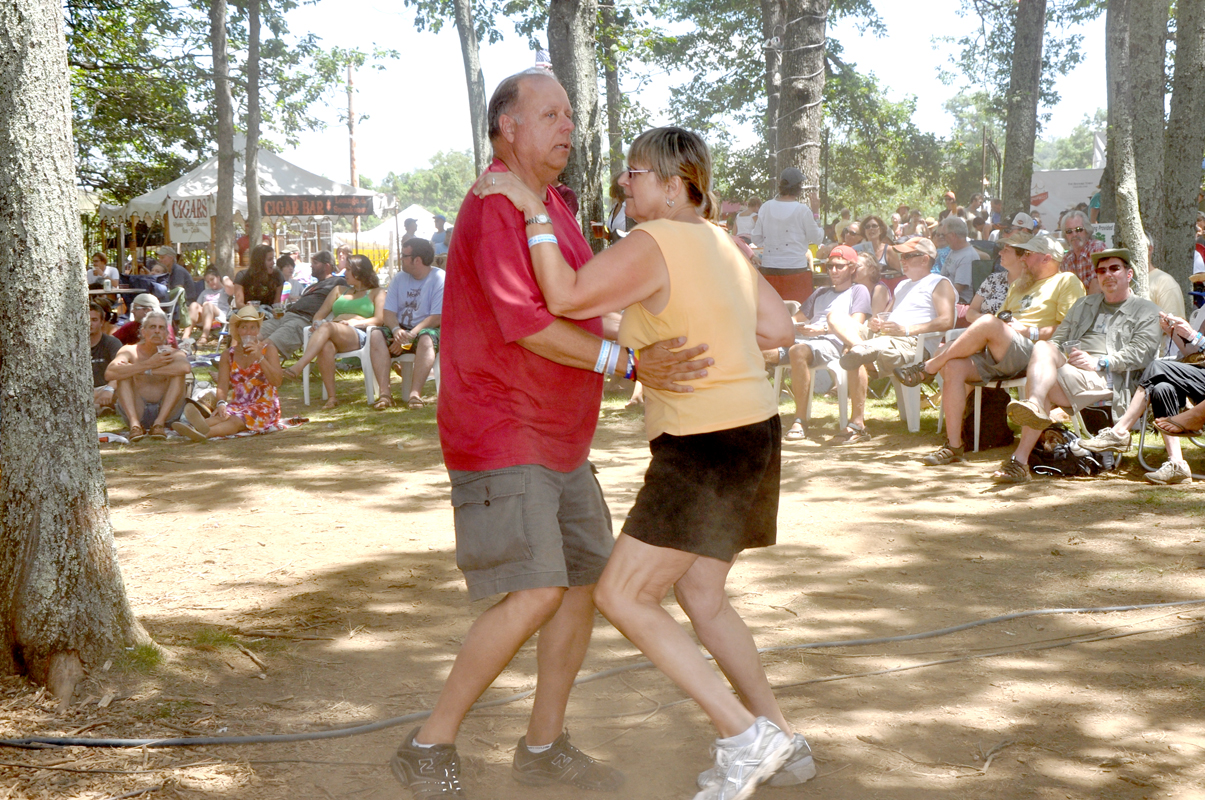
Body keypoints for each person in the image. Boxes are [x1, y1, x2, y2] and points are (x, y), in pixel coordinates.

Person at [388, 69, 716, 800]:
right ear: (508, 127)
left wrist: (660, 339)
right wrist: (631, 363)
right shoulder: (495, 202)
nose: (567, 127)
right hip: (502, 428)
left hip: (561, 436)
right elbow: (528, 323)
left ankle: (542, 745)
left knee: (581, 588)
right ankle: (427, 743)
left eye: (570, 114)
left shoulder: (551, 205)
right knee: (537, 590)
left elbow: (579, 304)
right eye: (549, 115)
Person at [476, 121, 805, 800]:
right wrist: (693, 327)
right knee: (703, 597)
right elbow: (775, 329)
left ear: (674, 186)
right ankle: (778, 734)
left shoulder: (651, 239)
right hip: (754, 433)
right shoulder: (718, 240)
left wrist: (533, 209)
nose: (624, 182)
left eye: (635, 172)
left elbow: (562, 296)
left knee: (622, 593)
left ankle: (743, 736)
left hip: (702, 444)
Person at [895, 235, 1085, 466]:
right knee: (954, 366)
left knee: (986, 322)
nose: (1022, 258)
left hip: (1038, 354)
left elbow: (1069, 329)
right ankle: (954, 445)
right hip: (1004, 350)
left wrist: (1029, 331)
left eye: (1027, 253)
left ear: (1046, 258)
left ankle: (928, 367)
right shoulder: (1019, 285)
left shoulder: (1066, 281)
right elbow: (999, 322)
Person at [990, 248, 1162, 483]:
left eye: (1115, 269)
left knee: (1042, 384)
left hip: (1109, 375)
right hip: (1071, 369)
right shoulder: (1085, 304)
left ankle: (1019, 459)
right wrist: (1064, 356)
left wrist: (1099, 361)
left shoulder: (1146, 310)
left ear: (1129, 274)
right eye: (1102, 270)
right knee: (1043, 347)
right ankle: (1034, 406)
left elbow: (1142, 352)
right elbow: (1058, 340)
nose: (1108, 274)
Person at [837, 238, 956, 437]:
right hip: (886, 337)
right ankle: (861, 348)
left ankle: (856, 423)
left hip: (913, 344)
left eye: (908, 256)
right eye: (902, 256)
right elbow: (887, 316)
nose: (902, 260)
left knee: (857, 351)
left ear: (925, 259)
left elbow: (947, 321)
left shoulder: (939, 283)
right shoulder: (902, 285)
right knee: (837, 318)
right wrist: (875, 323)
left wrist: (907, 329)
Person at [773, 245, 871, 441]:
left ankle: (800, 420)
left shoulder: (859, 291)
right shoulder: (820, 293)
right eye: (830, 266)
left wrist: (823, 329)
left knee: (798, 351)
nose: (833, 270)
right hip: (808, 341)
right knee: (758, 351)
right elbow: (796, 319)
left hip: (834, 342)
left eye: (839, 266)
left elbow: (855, 326)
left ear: (852, 268)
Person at [282, 254, 384, 409]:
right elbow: (319, 315)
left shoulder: (376, 292)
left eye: (349, 270)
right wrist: (317, 324)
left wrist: (356, 322)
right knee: (326, 345)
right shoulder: (339, 290)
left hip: (359, 334)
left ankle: (300, 365)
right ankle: (332, 397)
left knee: (328, 326)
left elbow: (379, 319)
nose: (345, 273)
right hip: (333, 332)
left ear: (360, 271)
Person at [172, 305, 283, 442]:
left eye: (252, 327)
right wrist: (221, 403)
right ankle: (192, 428)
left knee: (236, 420)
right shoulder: (228, 354)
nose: (248, 332)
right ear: (237, 329)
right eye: (244, 327)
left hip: (265, 405)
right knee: (220, 417)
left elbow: (277, 381)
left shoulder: (269, 350)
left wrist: (260, 357)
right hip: (238, 404)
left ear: (258, 330)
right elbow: (222, 385)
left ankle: (204, 433)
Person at [369, 237, 444, 409]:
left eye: (404, 255)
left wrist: (411, 335)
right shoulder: (399, 278)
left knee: (426, 338)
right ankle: (385, 394)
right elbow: (388, 313)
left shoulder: (439, 278)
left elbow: (436, 317)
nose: (400, 258)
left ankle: (414, 395)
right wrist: (396, 331)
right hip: (401, 334)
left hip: (425, 331)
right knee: (375, 334)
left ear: (416, 260)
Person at [104, 310, 191, 441]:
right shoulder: (129, 350)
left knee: (178, 374)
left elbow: (185, 368)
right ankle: (135, 426)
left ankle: (159, 423)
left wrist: (146, 370)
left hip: (168, 413)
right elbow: (110, 373)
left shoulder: (174, 353)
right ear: (143, 332)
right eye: (152, 327)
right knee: (123, 374)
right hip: (137, 409)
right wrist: (149, 363)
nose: (157, 331)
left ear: (166, 334)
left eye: (161, 328)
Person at [259, 250, 348, 359]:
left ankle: (259, 372)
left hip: (303, 320)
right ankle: (242, 370)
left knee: (267, 344)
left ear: (327, 266)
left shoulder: (338, 282)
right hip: (285, 316)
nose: (311, 265)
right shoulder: (312, 286)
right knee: (253, 335)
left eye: (315, 263)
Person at [749, 167, 823, 273]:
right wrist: (816, 214)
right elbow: (818, 238)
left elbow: (756, 238)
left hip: (770, 267)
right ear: (799, 187)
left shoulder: (766, 207)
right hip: (796, 269)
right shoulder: (803, 211)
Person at [964, 231, 1033, 323]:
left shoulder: (1036, 284)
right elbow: (971, 312)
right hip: (985, 330)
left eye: (1006, 250)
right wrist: (990, 322)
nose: (1000, 253)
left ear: (1022, 257)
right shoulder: (993, 279)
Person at [185, 268, 234, 347]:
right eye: (208, 281)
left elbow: (231, 287)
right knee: (194, 304)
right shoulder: (205, 292)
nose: (210, 283)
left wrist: (225, 278)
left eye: (212, 279)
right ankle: (185, 336)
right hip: (205, 315)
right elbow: (197, 306)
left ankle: (204, 336)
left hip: (220, 315)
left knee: (207, 305)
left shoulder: (225, 290)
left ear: (218, 277)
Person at [89, 301, 122, 416]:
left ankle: (97, 408)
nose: (90, 324)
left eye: (94, 320)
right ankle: (100, 408)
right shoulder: (74, 345)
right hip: (84, 390)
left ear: (102, 322)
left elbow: (121, 371)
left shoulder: (112, 343)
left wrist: (109, 389)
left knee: (124, 387)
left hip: (107, 388)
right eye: (87, 319)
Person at [1059, 210, 1105, 289]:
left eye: (1079, 229)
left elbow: (1097, 288)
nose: (1074, 234)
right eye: (1069, 231)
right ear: (1065, 235)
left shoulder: (1096, 249)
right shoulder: (1067, 259)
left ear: (1087, 230)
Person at [113, 293, 178, 346]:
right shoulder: (132, 326)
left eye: (136, 308)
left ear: (147, 310)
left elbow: (167, 349)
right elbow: (113, 339)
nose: (132, 311)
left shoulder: (163, 328)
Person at [234, 243, 283, 308]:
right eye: (269, 260)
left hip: (269, 313)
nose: (273, 262)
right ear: (259, 262)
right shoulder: (242, 276)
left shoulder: (277, 275)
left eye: (273, 259)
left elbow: (276, 304)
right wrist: (253, 311)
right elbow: (239, 304)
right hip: (248, 313)